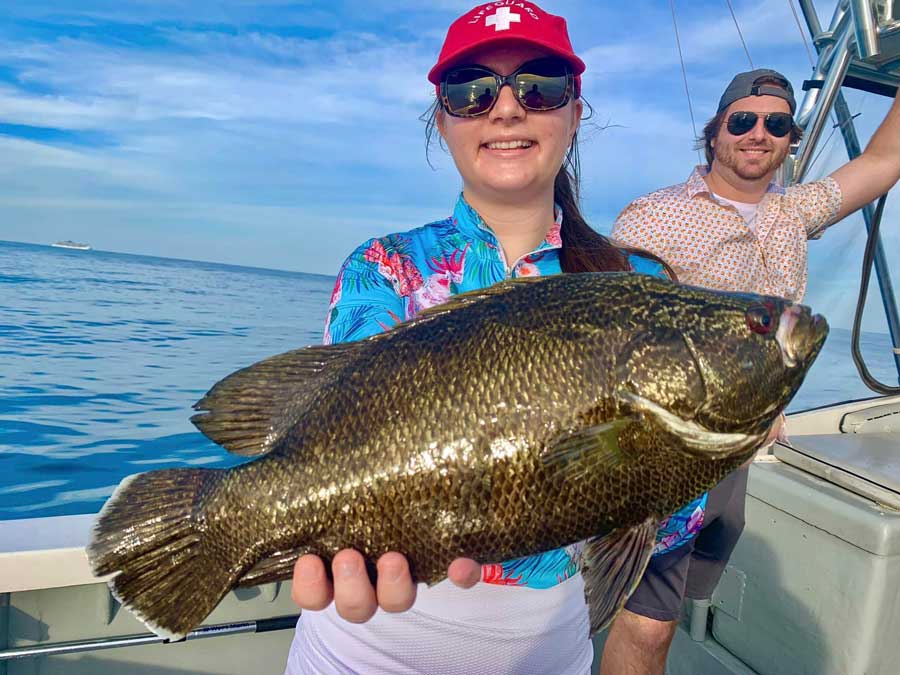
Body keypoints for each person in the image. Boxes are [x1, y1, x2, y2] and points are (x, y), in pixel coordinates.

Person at [283, 3, 722, 673]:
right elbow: (338, 451)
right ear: (442, 119)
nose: (507, 107)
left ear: (576, 112)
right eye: (471, 90)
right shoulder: (379, 272)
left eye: (540, 84)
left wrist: (720, 430)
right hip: (357, 651)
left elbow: (666, 520)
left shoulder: (641, 285)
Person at [608, 68, 900, 674]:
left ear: (791, 139)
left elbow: (884, 158)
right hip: (670, 451)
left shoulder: (793, 212)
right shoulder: (654, 217)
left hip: (741, 448)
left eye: (777, 124)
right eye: (742, 121)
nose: (758, 134)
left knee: (676, 602)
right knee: (648, 621)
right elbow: (614, 338)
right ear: (715, 132)